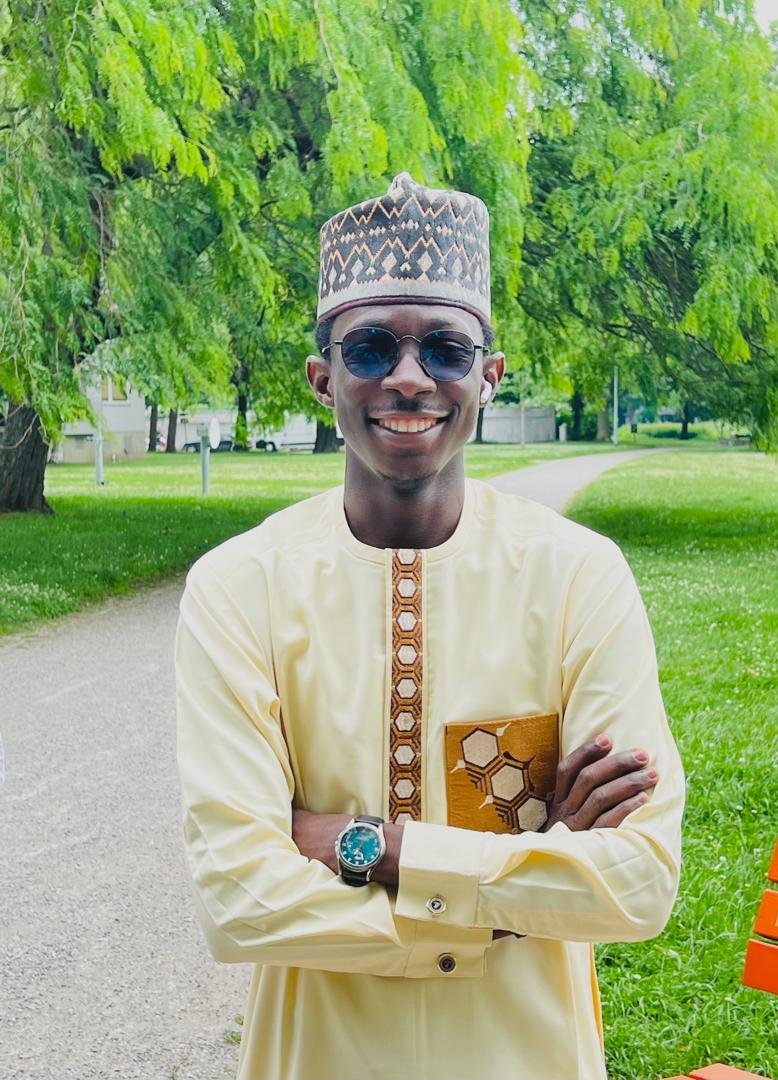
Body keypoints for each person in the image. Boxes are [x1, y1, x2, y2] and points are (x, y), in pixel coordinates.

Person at [175, 173, 685, 1080]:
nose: (408, 378)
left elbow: (637, 883)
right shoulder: (240, 589)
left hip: (526, 1057)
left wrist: (366, 846)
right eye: (370, 347)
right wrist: (514, 890)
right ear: (324, 378)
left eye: (445, 349)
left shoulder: (576, 576)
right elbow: (239, 901)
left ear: (488, 375)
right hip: (318, 1057)